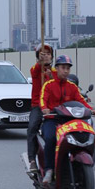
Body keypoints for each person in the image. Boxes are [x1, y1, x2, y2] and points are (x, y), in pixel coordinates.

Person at [39, 55, 95, 187]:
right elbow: (43, 99)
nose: (65, 71)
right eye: (63, 68)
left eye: (68, 69)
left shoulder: (72, 86)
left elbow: (81, 101)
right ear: (57, 68)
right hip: (53, 120)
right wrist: (45, 109)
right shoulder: (48, 85)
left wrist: (91, 109)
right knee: (50, 139)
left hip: (70, 121)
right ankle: (49, 170)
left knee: (84, 134)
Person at [26, 44, 57, 172]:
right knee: (32, 128)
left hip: (54, 108)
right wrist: (40, 62)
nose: (46, 56)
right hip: (38, 106)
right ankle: (32, 160)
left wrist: (50, 76)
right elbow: (35, 70)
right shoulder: (35, 69)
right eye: (42, 54)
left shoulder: (56, 72)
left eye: (48, 54)